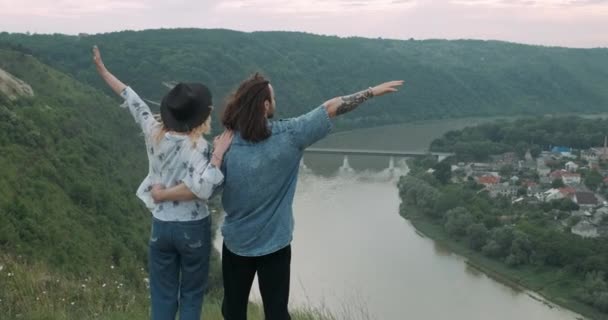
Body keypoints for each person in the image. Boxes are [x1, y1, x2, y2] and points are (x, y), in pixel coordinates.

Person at [152, 73, 404, 320]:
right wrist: (371, 92)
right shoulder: (291, 135)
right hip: (276, 246)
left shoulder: (226, 145)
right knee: (276, 312)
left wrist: (166, 192)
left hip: (237, 245)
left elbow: (208, 188)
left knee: (233, 312)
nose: (275, 100)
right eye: (273, 97)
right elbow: (330, 108)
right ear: (265, 105)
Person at [92, 45, 233, 320]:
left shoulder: (153, 132)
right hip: (192, 229)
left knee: (162, 296)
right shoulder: (199, 148)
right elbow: (204, 188)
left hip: (162, 227)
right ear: (199, 118)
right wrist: (217, 156)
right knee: (191, 297)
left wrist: (102, 70)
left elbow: (131, 98)